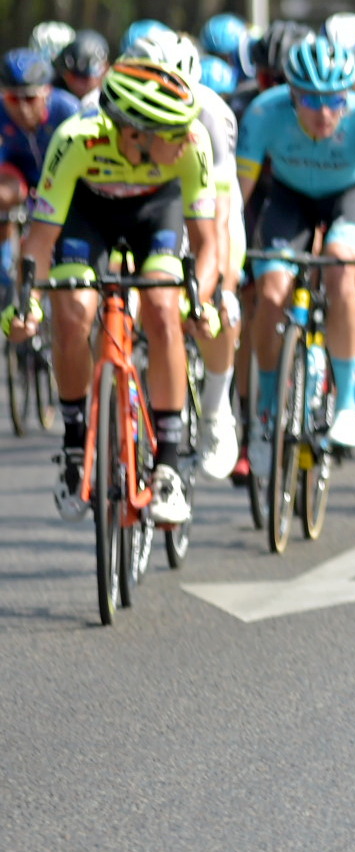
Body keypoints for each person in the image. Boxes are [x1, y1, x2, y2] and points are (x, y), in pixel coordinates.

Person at [6, 59, 222, 524]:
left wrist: (198, 300)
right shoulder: (75, 140)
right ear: (134, 132)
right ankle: (73, 445)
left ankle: (166, 463)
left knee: (164, 307)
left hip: (156, 214)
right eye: (173, 131)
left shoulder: (193, 143)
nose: (187, 137)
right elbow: (39, 242)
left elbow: (207, 245)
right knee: (73, 311)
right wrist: (26, 308)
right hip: (89, 215)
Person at [238, 37, 355, 454]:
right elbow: (235, 201)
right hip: (290, 199)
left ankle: (347, 404)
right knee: (271, 293)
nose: (324, 113)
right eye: (310, 101)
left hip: (351, 195)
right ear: (291, 93)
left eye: (334, 100)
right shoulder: (264, 114)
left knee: (342, 266)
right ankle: (267, 405)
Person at [129, 29, 245, 477]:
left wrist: (220, 285)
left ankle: (216, 411)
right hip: (135, 202)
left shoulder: (213, 115)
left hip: (199, 201)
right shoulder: (101, 108)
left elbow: (218, 219)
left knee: (216, 309)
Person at [0, 49, 82, 299]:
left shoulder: (68, 109)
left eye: (31, 99)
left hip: (62, 179)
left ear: (47, 92)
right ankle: (6, 256)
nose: (23, 109)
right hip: (20, 174)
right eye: (14, 99)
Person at [55, 31, 108, 108]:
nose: (80, 84)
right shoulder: (56, 97)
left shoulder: (110, 102)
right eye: (74, 76)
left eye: (86, 78)